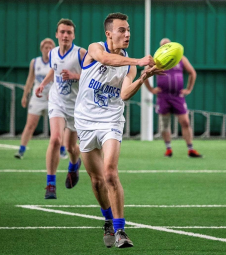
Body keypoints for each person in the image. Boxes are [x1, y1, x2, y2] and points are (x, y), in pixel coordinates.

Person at [74, 12, 161, 248]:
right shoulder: (94, 49)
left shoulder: (129, 66)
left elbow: (124, 94)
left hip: (111, 120)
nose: (127, 34)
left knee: (110, 173)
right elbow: (106, 60)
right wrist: (139, 61)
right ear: (108, 33)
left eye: (129, 30)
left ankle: (121, 231)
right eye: (122, 30)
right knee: (96, 181)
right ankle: (107, 221)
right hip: (85, 122)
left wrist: (142, 77)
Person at [34, 19, 85, 199]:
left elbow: (92, 75)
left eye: (69, 32)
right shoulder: (53, 52)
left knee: (70, 147)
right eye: (62, 32)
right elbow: (53, 71)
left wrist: (74, 75)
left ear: (73, 35)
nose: (65, 35)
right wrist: (43, 84)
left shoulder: (80, 54)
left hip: (76, 106)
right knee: (55, 139)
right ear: (56, 34)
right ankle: (50, 184)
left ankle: (74, 165)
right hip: (57, 101)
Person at [143, 38, 202, 158]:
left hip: (177, 96)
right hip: (163, 96)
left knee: (185, 122)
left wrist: (189, 89)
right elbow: (144, 74)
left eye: (168, 45)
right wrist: (151, 89)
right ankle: (168, 148)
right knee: (164, 124)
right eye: (163, 46)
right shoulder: (156, 61)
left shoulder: (180, 58)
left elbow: (192, 72)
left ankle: (190, 149)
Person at [15, 38, 68, 160]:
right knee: (30, 124)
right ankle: (21, 150)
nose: (48, 50)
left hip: (53, 99)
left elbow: (61, 80)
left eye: (50, 48)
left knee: (59, 126)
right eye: (46, 48)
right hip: (37, 98)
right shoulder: (35, 62)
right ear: (41, 49)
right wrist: (25, 95)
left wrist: (55, 92)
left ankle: (62, 150)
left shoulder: (57, 61)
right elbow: (30, 80)